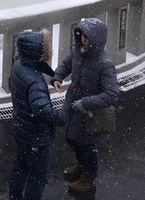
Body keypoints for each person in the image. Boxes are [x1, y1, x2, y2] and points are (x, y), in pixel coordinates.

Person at [50, 18, 119, 195]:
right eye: (81, 35)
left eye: (87, 37)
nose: (83, 40)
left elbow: (111, 94)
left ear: (97, 40)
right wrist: (57, 77)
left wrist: (86, 102)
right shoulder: (77, 51)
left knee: (87, 145)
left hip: (89, 113)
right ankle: (81, 164)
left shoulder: (105, 64)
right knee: (70, 137)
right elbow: (66, 64)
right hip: (72, 103)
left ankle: (89, 177)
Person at [9, 29, 66, 200]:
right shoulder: (35, 82)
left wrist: (54, 76)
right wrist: (63, 118)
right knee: (37, 177)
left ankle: (14, 197)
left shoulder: (18, 66)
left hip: (21, 129)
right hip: (36, 137)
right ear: (37, 54)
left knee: (20, 167)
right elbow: (42, 111)